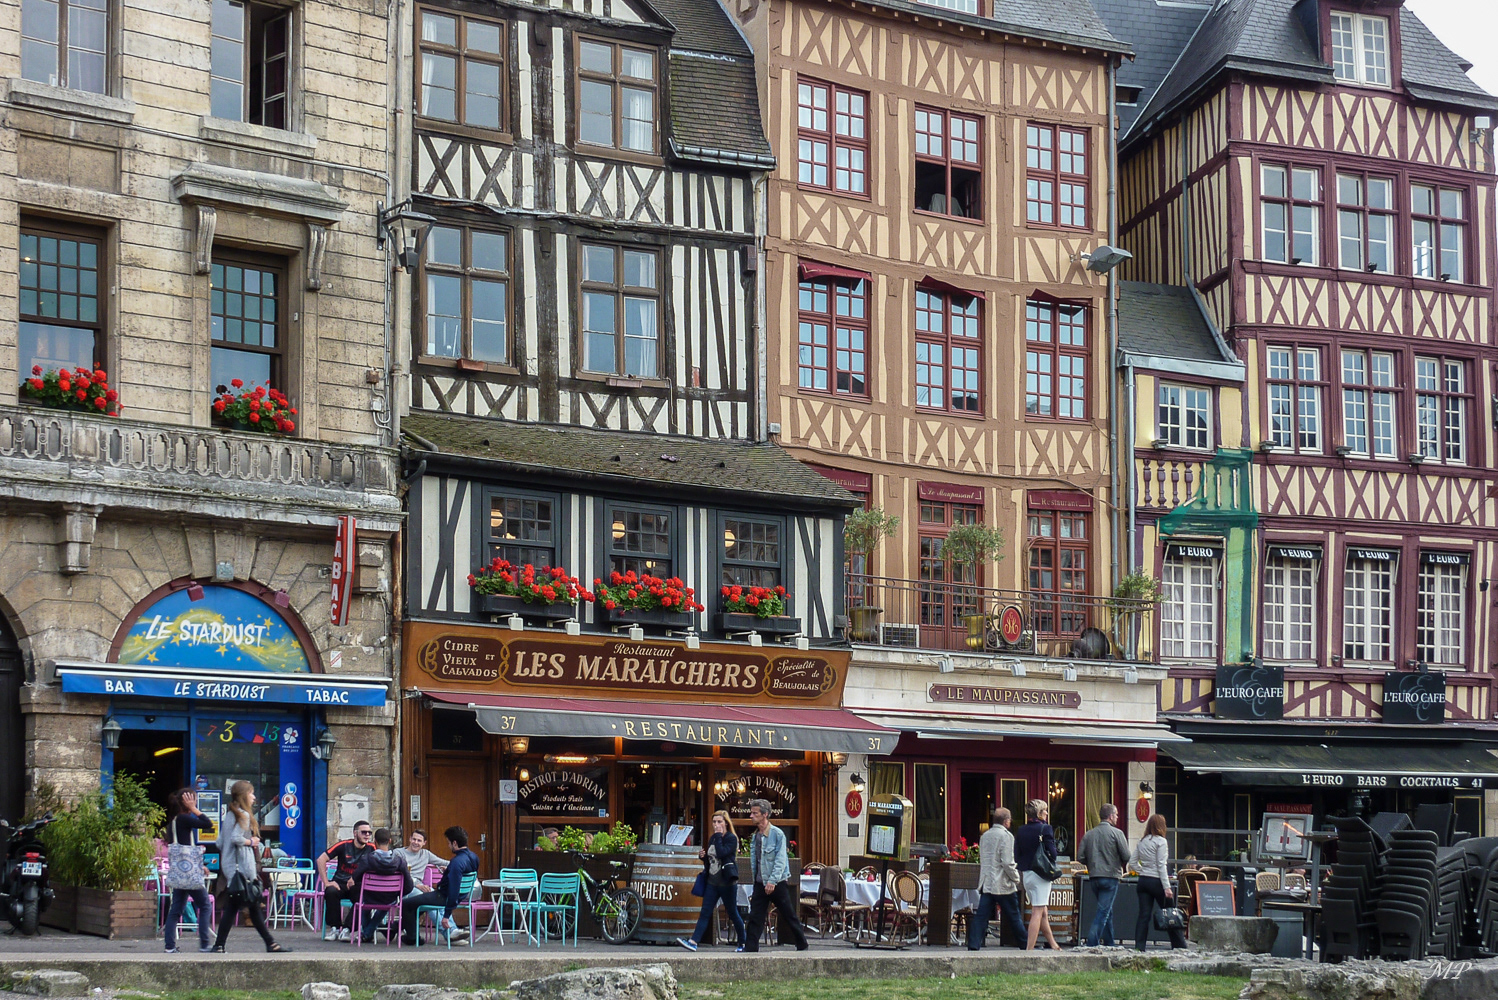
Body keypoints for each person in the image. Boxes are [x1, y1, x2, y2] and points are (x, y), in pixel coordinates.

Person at [211, 781, 288, 953]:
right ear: (244, 795)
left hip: (231, 868)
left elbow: (220, 842)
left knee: (244, 909)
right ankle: (269, 944)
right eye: (252, 793)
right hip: (243, 869)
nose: (254, 797)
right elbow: (236, 839)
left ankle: (221, 945)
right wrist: (251, 841)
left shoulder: (230, 815)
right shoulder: (244, 815)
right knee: (247, 907)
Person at [740, 799, 808, 953]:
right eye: (751, 812)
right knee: (755, 916)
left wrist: (772, 881)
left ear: (765, 814)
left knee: (788, 913)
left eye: (755, 813)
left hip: (776, 882)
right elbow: (756, 862)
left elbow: (780, 860)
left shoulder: (777, 834)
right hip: (760, 882)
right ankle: (750, 947)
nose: (751, 816)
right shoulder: (755, 836)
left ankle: (801, 943)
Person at [400, 826, 479, 945]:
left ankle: (412, 938)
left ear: (455, 843)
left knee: (406, 904)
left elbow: (453, 890)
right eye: (414, 839)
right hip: (456, 895)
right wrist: (448, 871)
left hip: (442, 897)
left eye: (448, 843)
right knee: (418, 902)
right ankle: (452, 933)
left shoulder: (456, 862)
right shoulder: (474, 857)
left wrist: (447, 915)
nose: (448, 846)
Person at [678, 810, 744, 951]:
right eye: (714, 822)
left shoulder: (731, 838)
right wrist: (704, 857)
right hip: (712, 882)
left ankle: (743, 943)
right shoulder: (713, 838)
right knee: (705, 912)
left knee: (732, 912)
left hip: (727, 883)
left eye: (719, 821)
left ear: (726, 822)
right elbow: (712, 861)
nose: (716, 825)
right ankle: (694, 942)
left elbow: (721, 853)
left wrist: (719, 835)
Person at [162, 787, 215, 954]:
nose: (196, 803)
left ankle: (170, 946)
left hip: (180, 872)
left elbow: (185, 852)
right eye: (194, 800)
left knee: (176, 909)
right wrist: (194, 809)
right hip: (190, 875)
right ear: (187, 802)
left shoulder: (173, 823)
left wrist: (200, 866)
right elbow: (208, 824)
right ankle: (204, 944)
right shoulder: (185, 819)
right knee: (205, 906)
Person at [967, 807, 1025, 950]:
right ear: (1006, 821)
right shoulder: (1007, 836)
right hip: (1002, 883)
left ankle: (973, 944)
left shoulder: (985, 836)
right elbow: (1007, 862)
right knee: (1014, 915)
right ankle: (1025, 943)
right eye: (1010, 820)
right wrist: (1016, 878)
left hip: (987, 882)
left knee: (981, 915)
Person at [1077, 803, 1131, 947]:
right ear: (1111, 816)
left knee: (1107, 910)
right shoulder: (1117, 833)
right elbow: (1126, 855)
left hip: (1094, 877)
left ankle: (1109, 942)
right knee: (1103, 911)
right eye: (1117, 815)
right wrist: (1118, 862)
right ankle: (1092, 943)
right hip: (1111, 876)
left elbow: (1080, 856)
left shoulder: (1089, 834)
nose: (1118, 817)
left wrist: (1091, 862)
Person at [1131, 813, 1186, 950]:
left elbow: (1132, 862)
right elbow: (1161, 865)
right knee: (1170, 913)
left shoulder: (1142, 841)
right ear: (1161, 826)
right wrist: (1167, 887)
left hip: (1143, 881)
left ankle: (1139, 946)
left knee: (1144, 915)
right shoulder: (1161, 842)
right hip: (1157, 882)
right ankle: (1179, 945)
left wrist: (1142, 870)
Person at [349, 828, 413, 943]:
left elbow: (356, 878)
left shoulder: (367, 859)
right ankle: (368, 933)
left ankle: (367, 933)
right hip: (389, 898)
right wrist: (397, 894)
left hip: (369, 897)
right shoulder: (399, 861)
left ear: (374, 841)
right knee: (388, 903)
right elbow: (409, 885)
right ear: (389, 841)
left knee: (362, 901)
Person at [1013, 798, 1061, 951]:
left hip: (1027, 874)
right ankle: (1029, 950)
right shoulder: (1045, 829)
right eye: (1045, 810)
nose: (1047, 813)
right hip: (1041, 874)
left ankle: (1054, 945)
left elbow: (1016, 855)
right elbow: (1053, 854)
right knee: (1037, 912)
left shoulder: (1021, 830)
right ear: (1039, 813)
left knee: (1043, 911)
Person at [317, 819, 373, 940]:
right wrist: (326, 882)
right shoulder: (343, 845)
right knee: (331, 891)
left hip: (358, 885)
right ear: (355, 833)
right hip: (340, 882)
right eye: (364, 832)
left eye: (369, 832)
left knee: (365, 896)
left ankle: (348, 929)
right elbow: (321, 859)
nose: (367, 835)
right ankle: (335, 928)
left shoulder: (372, 848)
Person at [398, 829, 448, 895]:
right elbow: (398, 874)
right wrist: (417, 885)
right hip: (404, 887)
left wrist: (451, 866)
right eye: (414, 839)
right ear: (410, 839)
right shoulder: (399, 853)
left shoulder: (426, 854)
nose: (415, 842)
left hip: (420, 887)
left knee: (437, 895)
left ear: (424, 843)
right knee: (423, 895)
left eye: (419, 840)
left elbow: (444, 862)